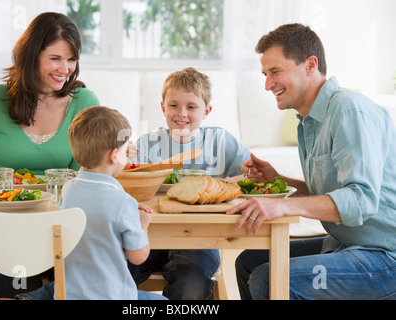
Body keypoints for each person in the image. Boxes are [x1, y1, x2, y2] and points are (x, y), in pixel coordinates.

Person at [228, 23, 396, 300]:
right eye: (265, 74)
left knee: (269, 280)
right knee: (248, 263)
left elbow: (361, 200)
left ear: (310, 65)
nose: (267, 84)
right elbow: (329, 194)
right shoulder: (308, 121)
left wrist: (283, 206)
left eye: (275, 72)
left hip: (384, 257)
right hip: (346, 243)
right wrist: (277, 180)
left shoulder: (348, 110)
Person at [0, 12, 100, 298]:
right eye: (55, 58)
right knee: (21, 280)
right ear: (31, 56)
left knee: (89, 276)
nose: (65, 69)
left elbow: (88, 175)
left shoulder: (84, 102)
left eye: (71, 59)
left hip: (56, 232)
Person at [17, 106, 167, 300]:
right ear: (115, 155)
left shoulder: (68, 189)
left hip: (69, 295)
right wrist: (142, 225)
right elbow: (138, 257)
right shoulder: (124, 203)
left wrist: (127, 209)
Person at [129, 67, 252, 300]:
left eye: (191, 107)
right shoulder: (147, 144)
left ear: (207, 111)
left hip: (199, 240)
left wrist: (239, 176)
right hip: (148, 236)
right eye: (173, 105)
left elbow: (248, 175)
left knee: (191, 283)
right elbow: (127, 179)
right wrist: (122, 159)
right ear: (163, 107)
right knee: (113, 270)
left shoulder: (220, 140)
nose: (181, 113)